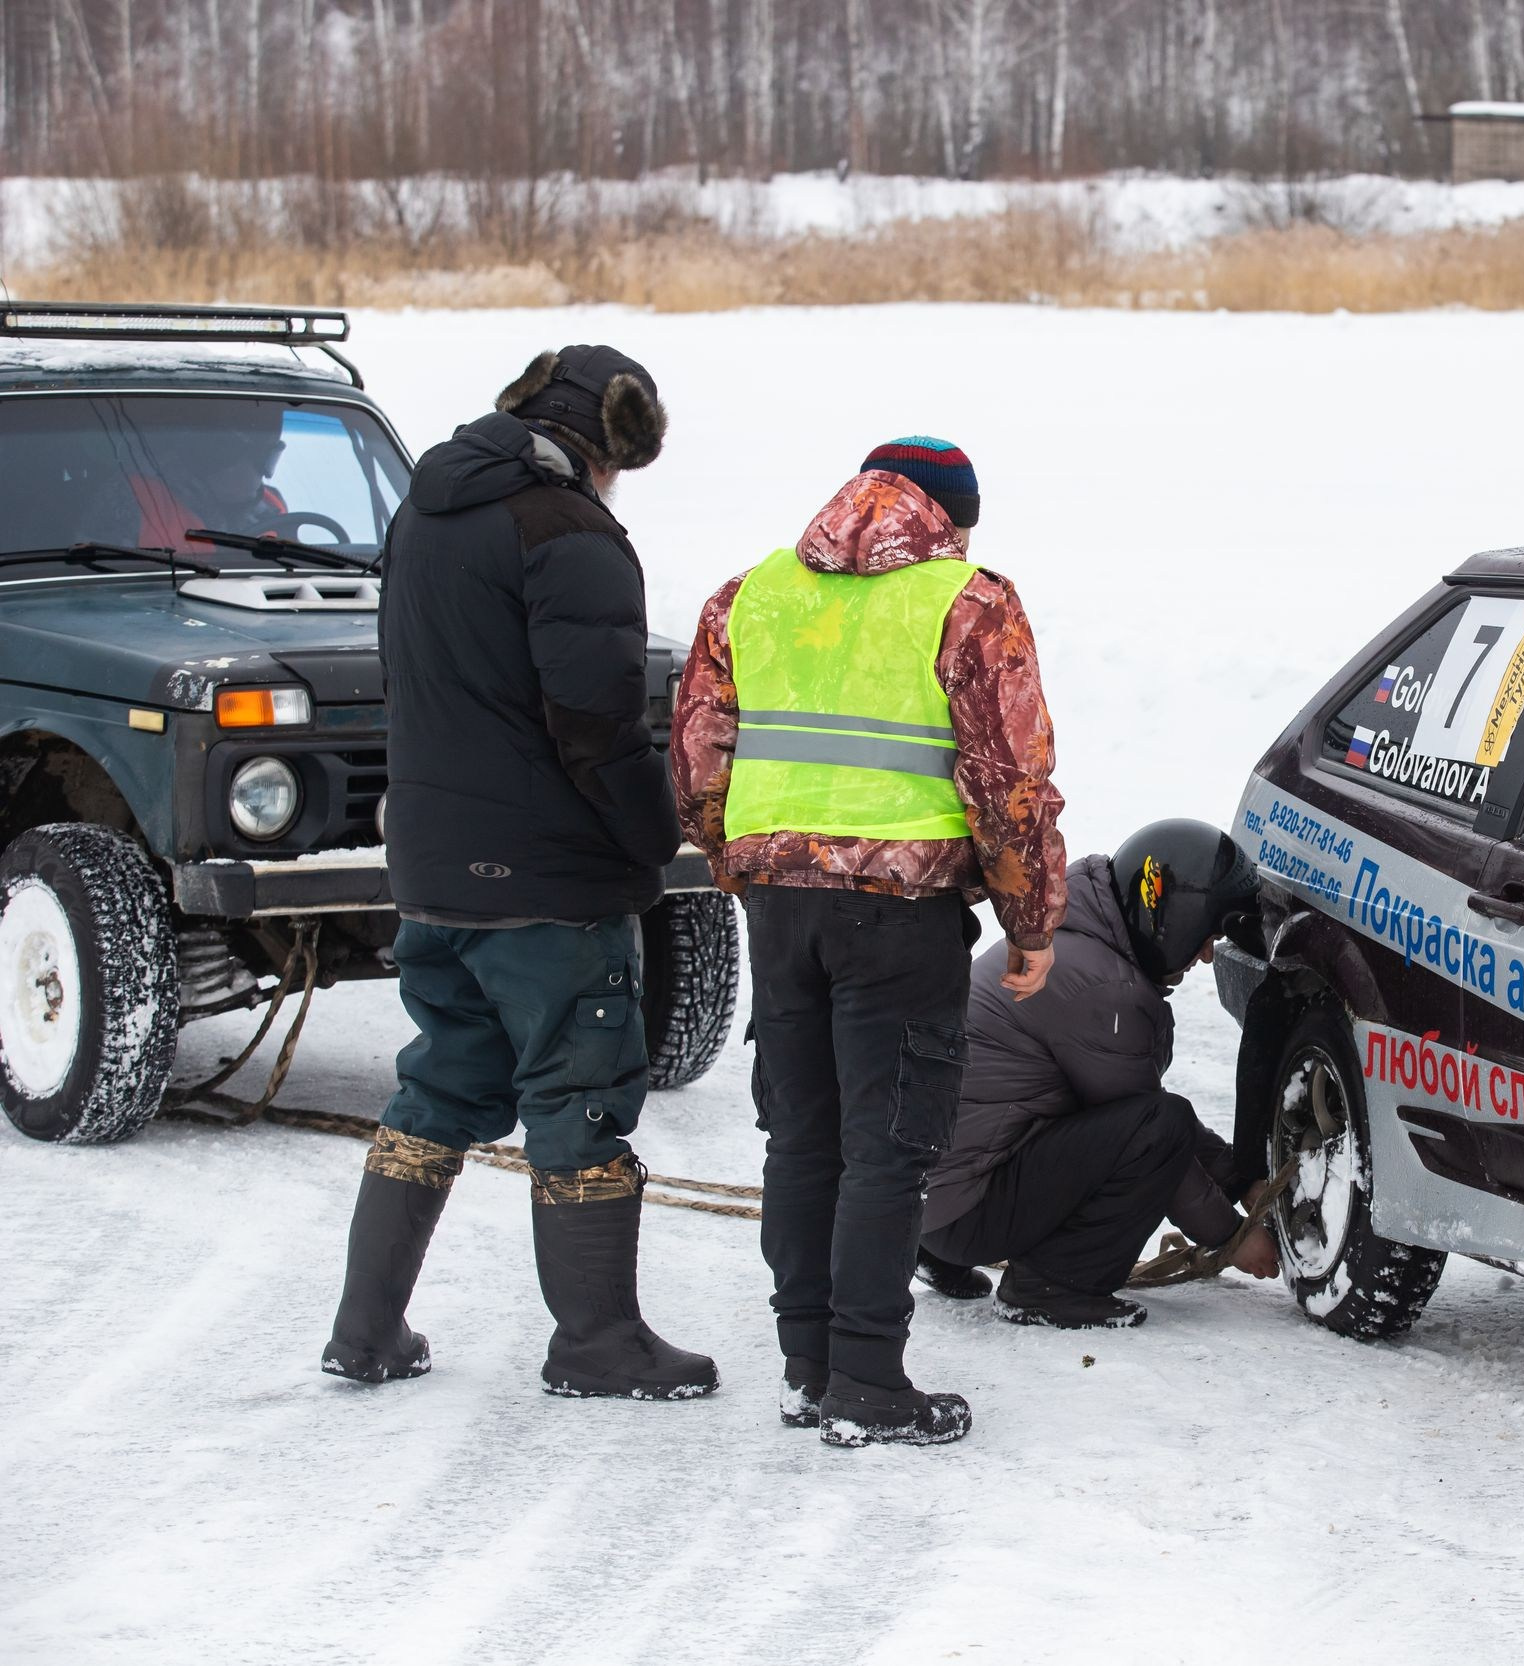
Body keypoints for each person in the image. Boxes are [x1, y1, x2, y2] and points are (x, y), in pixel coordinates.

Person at [323, 346, 716, 1401]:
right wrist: (658, 836)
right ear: (608, 445)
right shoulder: (569, 533)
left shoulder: (424, 510)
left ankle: (365, 1329)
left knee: (440, 1083)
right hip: (546, 880)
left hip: (436, 870)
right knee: (580, 1095)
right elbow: (596, 726)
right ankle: (596, 1340)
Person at [674, 437, 1066, 1446]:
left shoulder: (746, 595)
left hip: (778, 903)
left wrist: (738, 860)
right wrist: (1030, 922)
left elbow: (697, 756)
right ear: (948, 515)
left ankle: (809, 1364)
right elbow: (1007, 785)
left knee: (801, 1138)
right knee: (887, 1146)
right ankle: (867, 1378)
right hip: (903, 908)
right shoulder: (969, 600)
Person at [920, 820, 1281, 1331]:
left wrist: (1237, 1178)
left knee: (1150, 1121)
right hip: (965, 1208)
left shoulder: (1070, 936)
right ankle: (1052, 1286)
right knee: (1161, 1125)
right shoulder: (1102, 986)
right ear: (1174, 917)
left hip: (928, 1197)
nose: (1205, 955)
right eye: (1208, 934)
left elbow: (1129, 1107)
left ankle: (936, 1252)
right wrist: (1231, 1238)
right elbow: (1154, 1139)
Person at [129, 402, 288, 550]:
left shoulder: (273, 505)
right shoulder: (137, 499)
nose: (250, 474)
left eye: (263, 457)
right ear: (203, 455)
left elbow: (297, 568)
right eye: (232, 455)